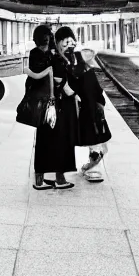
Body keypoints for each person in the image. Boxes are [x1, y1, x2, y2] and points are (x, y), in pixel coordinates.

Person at [25, 25, 75, 190]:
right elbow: (59, 79)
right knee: (60, 141)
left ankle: (40, 179)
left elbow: (34, 76)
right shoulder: (53, 56)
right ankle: (59, 179)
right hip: (54, 104)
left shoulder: (34, 54)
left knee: (43, 141)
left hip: (41, 105)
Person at [41, 25, 81, 189]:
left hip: (59, 106)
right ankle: (60, 177)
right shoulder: (57, 59)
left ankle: (51, 175)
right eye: (65, 43)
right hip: (60, 106)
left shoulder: (62, 57)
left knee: (57, 141)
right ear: (57, 42)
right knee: (62, 141)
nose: (69, 46)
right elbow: (61, 83)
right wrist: (74, 94)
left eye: (72, 43)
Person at [71, 48, 111, 182]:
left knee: (94, 141)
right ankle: (94, 169)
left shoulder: (77, 74)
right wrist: (101, 104)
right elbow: (97, 93)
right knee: (98, 141)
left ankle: (91, 167)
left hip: (86, 113)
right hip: (93, 114)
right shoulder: (88, 74)